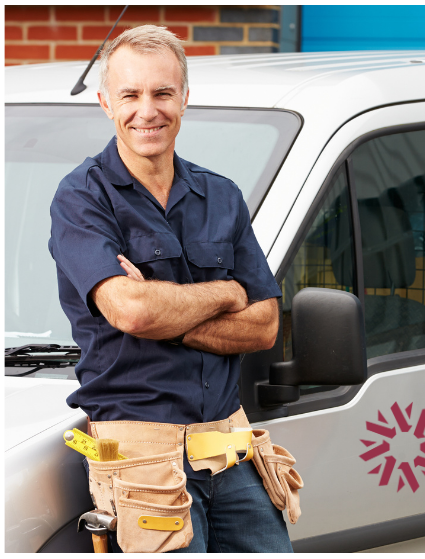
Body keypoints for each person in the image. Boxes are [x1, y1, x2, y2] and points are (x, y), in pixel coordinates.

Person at [48, 25, 294, 553]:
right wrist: (226, 294)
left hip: (228, 445)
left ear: (184, 97)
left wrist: (168, 314)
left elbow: (265, 325)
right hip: (140, 456)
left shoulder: (221, 196)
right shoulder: (82, 198)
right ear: (106, 103)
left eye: (162, 93)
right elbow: (132, 312)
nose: (147, 111)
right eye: (130, 95)